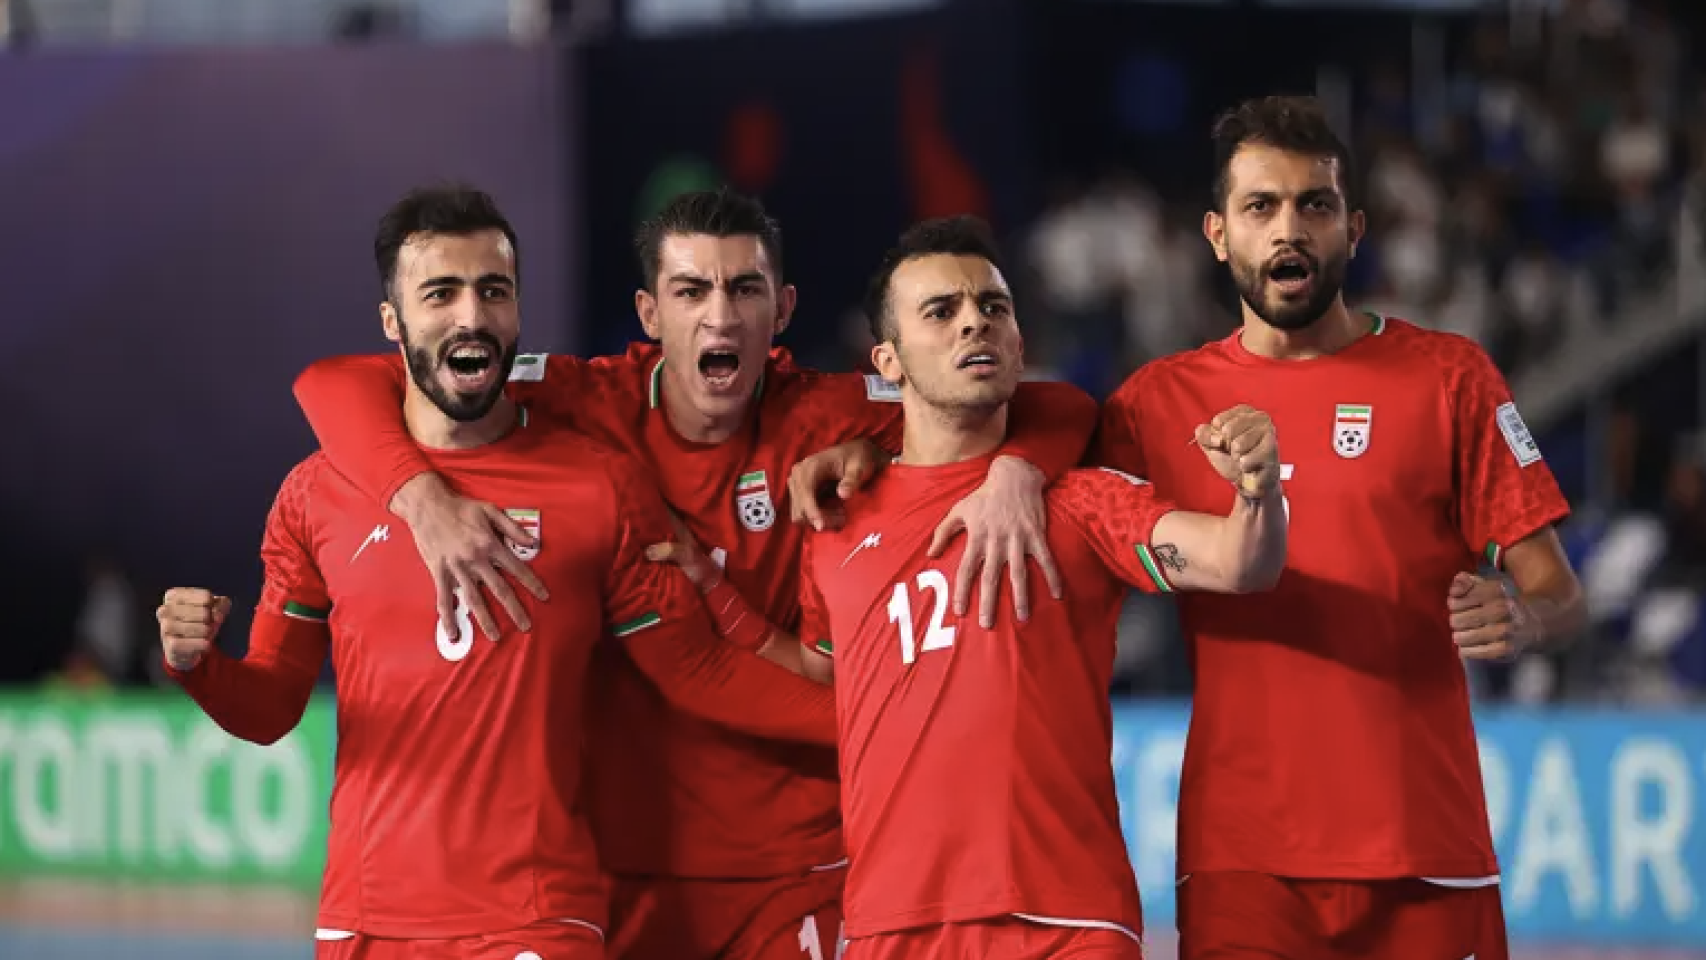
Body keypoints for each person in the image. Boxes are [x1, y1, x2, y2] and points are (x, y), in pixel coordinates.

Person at [289, 188, 1097, 960]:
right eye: (689, 290)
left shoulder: (840, 409)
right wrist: (419, 497)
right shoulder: (585, 398)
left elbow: (1055, 405)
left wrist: (1017, 471)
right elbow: (333, 383)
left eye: (745, 288)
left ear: (781, 310)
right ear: (650, 314)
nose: (720, 314)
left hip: (799, 863)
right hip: (626, 863)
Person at [156, 185, 838, 960]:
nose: (471, 317)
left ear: (518, 312)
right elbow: (271, 705)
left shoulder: (601, 486)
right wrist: (199, 666)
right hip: (364, 914)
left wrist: (896, 721)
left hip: (537, 914)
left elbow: (702, 671)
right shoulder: (317, 494)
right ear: (393, 323)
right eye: (440, 294)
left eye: (494, 291)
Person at [1095, 96, 1586, 960]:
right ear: (1218, 234)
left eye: (1314, 205)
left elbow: (1559, 592)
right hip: (1243, 863)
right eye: (1261, 207)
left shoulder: (1451, 378)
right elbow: (1048, 482)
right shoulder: (1151, 405)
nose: (1290, 230)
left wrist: (1523, 614)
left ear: (1354, 228)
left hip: (1426, 852)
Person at [787, 216, 1288, 959]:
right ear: (886, 361)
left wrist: (1257, 491)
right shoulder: (834, 525)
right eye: (941, 311)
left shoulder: (1081, 500)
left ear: (1021, 342)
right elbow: (819, 681)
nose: (974, 325)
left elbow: (1243, 564)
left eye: (993, 307)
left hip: (1066, 921)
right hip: (889, 925)